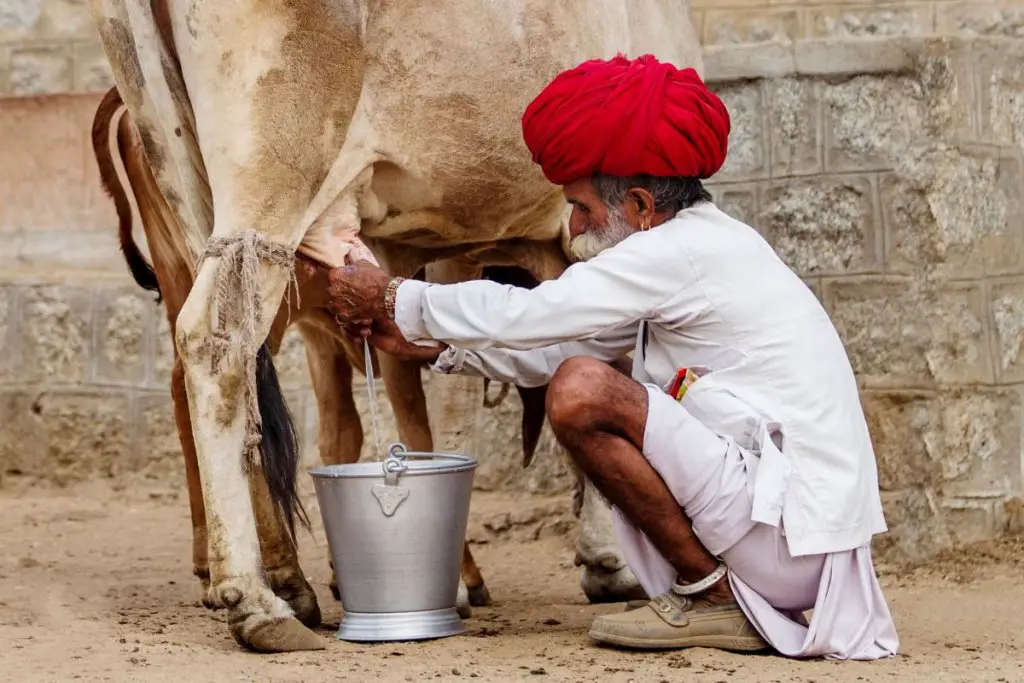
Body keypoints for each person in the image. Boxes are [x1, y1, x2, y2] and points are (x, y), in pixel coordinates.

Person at [325, 53, 899, 659]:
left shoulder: (680, 251)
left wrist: (394, 294)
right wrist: (435, 348)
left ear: (642, 206)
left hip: (790, 539)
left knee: (580, 391)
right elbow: (559, 347)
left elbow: (538, 315)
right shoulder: (693, 247)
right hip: (788, 536)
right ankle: (712, 591)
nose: (573, 227)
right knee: (577, 373)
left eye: (583, 208)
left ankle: (711, 597)